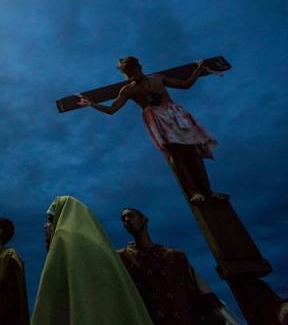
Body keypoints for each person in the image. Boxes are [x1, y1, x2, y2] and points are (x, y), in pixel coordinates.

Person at [78, 56, 226, 204]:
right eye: (127, 73)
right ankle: (194, 192)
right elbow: (112, 109)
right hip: (156, 118)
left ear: (139, 68)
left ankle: (208, 191)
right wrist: (92, 104)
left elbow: (185, 84)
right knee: (175, 153)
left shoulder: (158, 78)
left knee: (193, 152)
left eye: (133, 70)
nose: (131, 75)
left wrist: (198, 69)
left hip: (174, 115)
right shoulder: (128, 90)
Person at [32, 196, 152, 325]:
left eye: (51, 220)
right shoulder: (102, 248)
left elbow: (52, 296)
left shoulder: (63, 239)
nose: (46, 226)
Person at [118, 208, 228, 324]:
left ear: (144, 219)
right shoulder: (123, 257)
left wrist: (212, 311)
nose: (126, 220)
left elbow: (198, 286)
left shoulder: (175, 256)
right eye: (123, 219)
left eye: (130, 216)